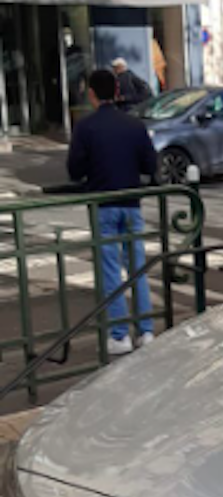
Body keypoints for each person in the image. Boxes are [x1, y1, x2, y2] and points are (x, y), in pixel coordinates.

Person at [67, 69, 158, 355]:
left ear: (91, 94)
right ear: (117, 92)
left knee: (110, 271)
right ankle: (146, 331)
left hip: (103, 203)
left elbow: (74, 170)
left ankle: (119, 336)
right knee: (138, 268)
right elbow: (151, 166)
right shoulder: (134, 125)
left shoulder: (86, 127)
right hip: (132, 202)